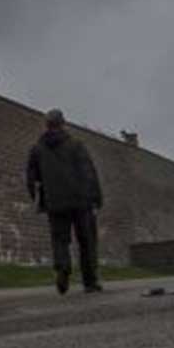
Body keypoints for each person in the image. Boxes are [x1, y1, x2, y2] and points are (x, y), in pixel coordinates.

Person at [24, 108, 104, 294]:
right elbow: (88, 172)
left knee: (60, 239)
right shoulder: (76, 145)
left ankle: (62, 267)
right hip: (81, 201)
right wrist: (96, 198)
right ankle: (90, 282)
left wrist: (36, 197)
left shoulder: (37, 149)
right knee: (86, 241)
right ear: (63, 123)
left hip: (54, 202)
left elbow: (31, 177)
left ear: (46, 125)